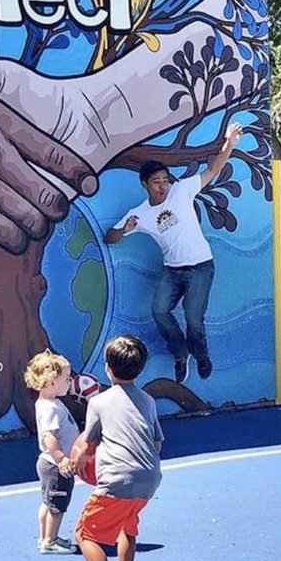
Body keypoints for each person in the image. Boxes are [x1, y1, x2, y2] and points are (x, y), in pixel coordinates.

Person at [104, 123, 244, 384]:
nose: (162, 186)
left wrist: (229, 143)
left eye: (165, 180)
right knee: (159, 311)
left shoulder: (182, 190)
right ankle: (181, 354)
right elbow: (109, 238)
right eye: (156, 182)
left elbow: (213, 169)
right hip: (172, 270)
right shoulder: (141, 213)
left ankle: (200, 354)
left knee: (193, 318)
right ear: (145, 184)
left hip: (201, 266)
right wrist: (125, 229)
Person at [72, 335, 163, 561]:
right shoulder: (148, 400)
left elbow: (88, 445)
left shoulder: (98, 402)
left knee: (85, 534)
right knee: (128, 525)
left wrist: (75, 463)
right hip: (149, 479)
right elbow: (157, 444)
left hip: (118, 480)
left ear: (108, 368)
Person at [23, 350, 81, 555]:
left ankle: (45, 537)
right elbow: (49, 436)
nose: (70, 381)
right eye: (66, 378)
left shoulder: (48, 403)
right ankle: (50, 541)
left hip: (47, 463)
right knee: (57, 505)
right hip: (55, 466)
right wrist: (61, 458)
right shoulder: (50, 408)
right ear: (51, 382)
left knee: (48, 502)